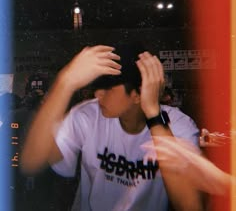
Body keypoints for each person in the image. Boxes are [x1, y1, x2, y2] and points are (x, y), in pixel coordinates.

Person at [21, 43, 204, 211]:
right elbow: (31, 161)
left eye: (109, 88)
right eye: (98, 86)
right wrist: (64, 83)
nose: (98, 93)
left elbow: (190, 206)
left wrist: (154, 115)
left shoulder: (178, 125)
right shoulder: (88, 115)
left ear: (138, 94)